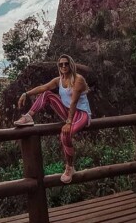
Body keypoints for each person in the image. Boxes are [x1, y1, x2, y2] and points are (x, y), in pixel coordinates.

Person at [14, 54, 91, 184]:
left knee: (65, 134)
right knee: (47, 94)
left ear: (71, 65)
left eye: (66, 63)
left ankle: (69, 167)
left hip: (81, 113)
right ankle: (28, 117)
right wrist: (26, 94)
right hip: (68, 112)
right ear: (58, 67)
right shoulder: (58, 80)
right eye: (61, 64)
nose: (64, 66)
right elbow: (43, 87)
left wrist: (68, 122)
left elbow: (73, 102)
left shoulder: (78, 79)